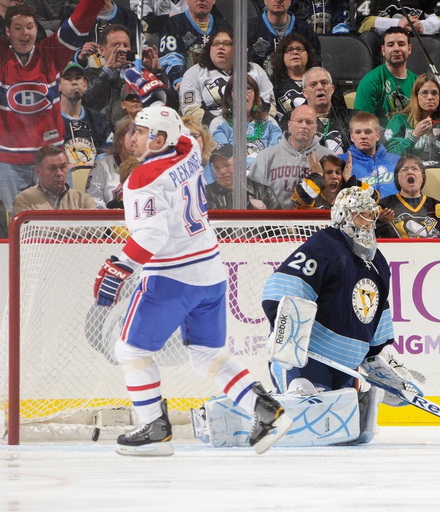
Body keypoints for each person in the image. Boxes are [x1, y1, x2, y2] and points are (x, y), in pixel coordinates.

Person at [93, 105, 292, 456]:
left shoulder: (141, 179)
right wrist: (152, 100)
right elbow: (184, 130)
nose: (131, 137)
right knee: (207, 354)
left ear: (158, 138)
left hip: (172, 277)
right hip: (211, 272)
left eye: (140, 131)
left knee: (131, 349)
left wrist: (119, 265)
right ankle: (265, 410)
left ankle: (154, 428)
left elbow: (151, 237)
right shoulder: (189, 149)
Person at [262, 186, 420, 442]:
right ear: (343, 216)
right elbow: (281, 290)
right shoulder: (325, 245)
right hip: (307, 362)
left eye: (371, 214)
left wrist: (378, 359)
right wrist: (285, 333)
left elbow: (376, 316)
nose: (369, 221)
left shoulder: (378, 261)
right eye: (361, 215)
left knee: (352, 433)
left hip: (346, 367)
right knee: (307, 409)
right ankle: (267, 407)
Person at [0, 0, 106, 215]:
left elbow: (78, 24)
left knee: (60, 222)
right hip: (10, 162)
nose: (25, 33)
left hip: (51, 158)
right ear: (8, 32)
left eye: (30, 27)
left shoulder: (51, 53)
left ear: (36, 29)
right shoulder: (2, 57)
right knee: (20, 225)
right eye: (18, 28)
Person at [179, 27, 275, 125]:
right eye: (215, 44)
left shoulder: (255, 70)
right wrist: (221, 127)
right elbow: (191, 110)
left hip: (253, 129)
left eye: (226, 43)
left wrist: (252, 125)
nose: (220, 47)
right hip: (210, 130)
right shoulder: (194, 72)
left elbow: (270, 107)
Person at [248, 104, 334, 209]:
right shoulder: (266, 157)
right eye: (299, 121)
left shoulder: (328, 157)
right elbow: (251, 193)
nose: (304, 126)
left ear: (315, 128)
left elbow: (335, 197)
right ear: (289, 125)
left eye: (309, 122)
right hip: (275, 222)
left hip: (316, 222)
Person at [81, 25, 168, 124]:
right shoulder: (90, 75)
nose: (123, 49)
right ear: (101, 50)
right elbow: (88, 101)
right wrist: (108, 70)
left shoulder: (143, 74)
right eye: (116, 45)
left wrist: (157, 72)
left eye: (126, 45)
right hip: (103, 131)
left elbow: (170, 105)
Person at [210, 75, 282, 170]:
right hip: (234, 179)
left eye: (248, 88)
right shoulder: (218, 124)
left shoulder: (269, 123)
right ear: (229, 96)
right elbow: (225, 159)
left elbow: (275, 156)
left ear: (256, 95)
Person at [158, 0, 230, 90]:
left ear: (214, 1)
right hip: (185, 83)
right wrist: (181, 80)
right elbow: (170, 56)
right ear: (186, 1)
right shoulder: (173, 24)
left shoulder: (223, 25)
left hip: (219, 84)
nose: (202, 0)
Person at [354, 27, 417, 128]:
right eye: (390, 45)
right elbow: (363, 124)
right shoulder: (370, 81)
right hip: (380, 141)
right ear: (383, 50)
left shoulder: (417, 82)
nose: (396, 49)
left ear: (409, 49)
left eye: (401, 44)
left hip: (412, 140)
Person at [60, 61, 114, 170]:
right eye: (68, 78)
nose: (74, 82)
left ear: (85, 85)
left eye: (78, 78)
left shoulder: (100, 121)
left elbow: (109, 152)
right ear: (58, 86)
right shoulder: (50, 121)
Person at [13, 145, 97, 215]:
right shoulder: (24, 199)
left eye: (63, 167)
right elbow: (31, 232)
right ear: (38, 171)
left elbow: (97, 231)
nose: (59, 173)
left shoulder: (83, 200)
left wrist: (50, 228)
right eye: (52, 168)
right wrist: (76, 225)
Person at [353, 1, 440, 67]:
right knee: (367, 38)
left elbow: (437, 17)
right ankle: (366, 85)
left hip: (417, 38)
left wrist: (422, 26)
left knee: (435, 43)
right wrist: (398, 23)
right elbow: (363, 22)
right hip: (382, 39)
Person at [247, 0, 321, 74]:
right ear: (265, 1)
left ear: (290, 1)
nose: (278, 0)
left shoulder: (305, 30)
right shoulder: (249, 28)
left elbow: (315, 64)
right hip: (259, 84)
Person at [376, 154, 440, 238]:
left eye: (415, 169)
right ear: (397, 177)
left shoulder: (436, 206)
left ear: (422, 176)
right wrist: (380, 222)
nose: (410, 172)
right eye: (404, 169)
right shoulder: (383, 206)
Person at [339, 112, 400, 199]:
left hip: (395, 210)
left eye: (368, 132)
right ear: (351, 137)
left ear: (377, 135)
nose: (363, 136)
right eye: (358, 132)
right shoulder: (341, 161)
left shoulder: (396, 160)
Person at [384, 73, 440, 166]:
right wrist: (414, 136)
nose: (430, 97)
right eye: (424, 93)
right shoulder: (399, 120)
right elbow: (390, 158)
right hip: (411, 174)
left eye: (434, 93)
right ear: (415, 95)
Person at [205, 143, 282, 210]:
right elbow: (209, 220)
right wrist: (246, 204)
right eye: (217, 167)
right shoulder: (206, 193)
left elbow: (280, 224)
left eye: (227, 165)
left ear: (241, 165)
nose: (222, 171)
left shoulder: (264, 192)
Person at [291, 152, 379, 209]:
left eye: (338, 173)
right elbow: (302, 197)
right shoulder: (311, 196)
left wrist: (350, 180)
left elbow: (373, 198)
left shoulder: (349, 198)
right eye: (329, 172)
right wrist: (317, 175)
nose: (334, 176)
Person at [270, 32, 318, 130]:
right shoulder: (272, 84)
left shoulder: (320, 81)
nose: (295, 52)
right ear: (282, 56)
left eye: (300, 49)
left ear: (308, 54)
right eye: (290, 49)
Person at [85, 116, 135, 209]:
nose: (135, 139)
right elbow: (94, 201)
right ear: (120, 139)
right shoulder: (102, 165)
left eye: (140, 134)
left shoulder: (148, 165)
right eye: (132, 134)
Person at [302, 66, 351, 154]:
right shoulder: (294, 120)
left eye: (324, 83)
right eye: (313, 84)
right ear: (305, 93)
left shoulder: (349, 117)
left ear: (332, 89)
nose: (320, 87)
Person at [181, 115, 216, 184]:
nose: (191, 141)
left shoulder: (216, 165)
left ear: (203, 138)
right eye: (186, 138)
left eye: (194, 136)